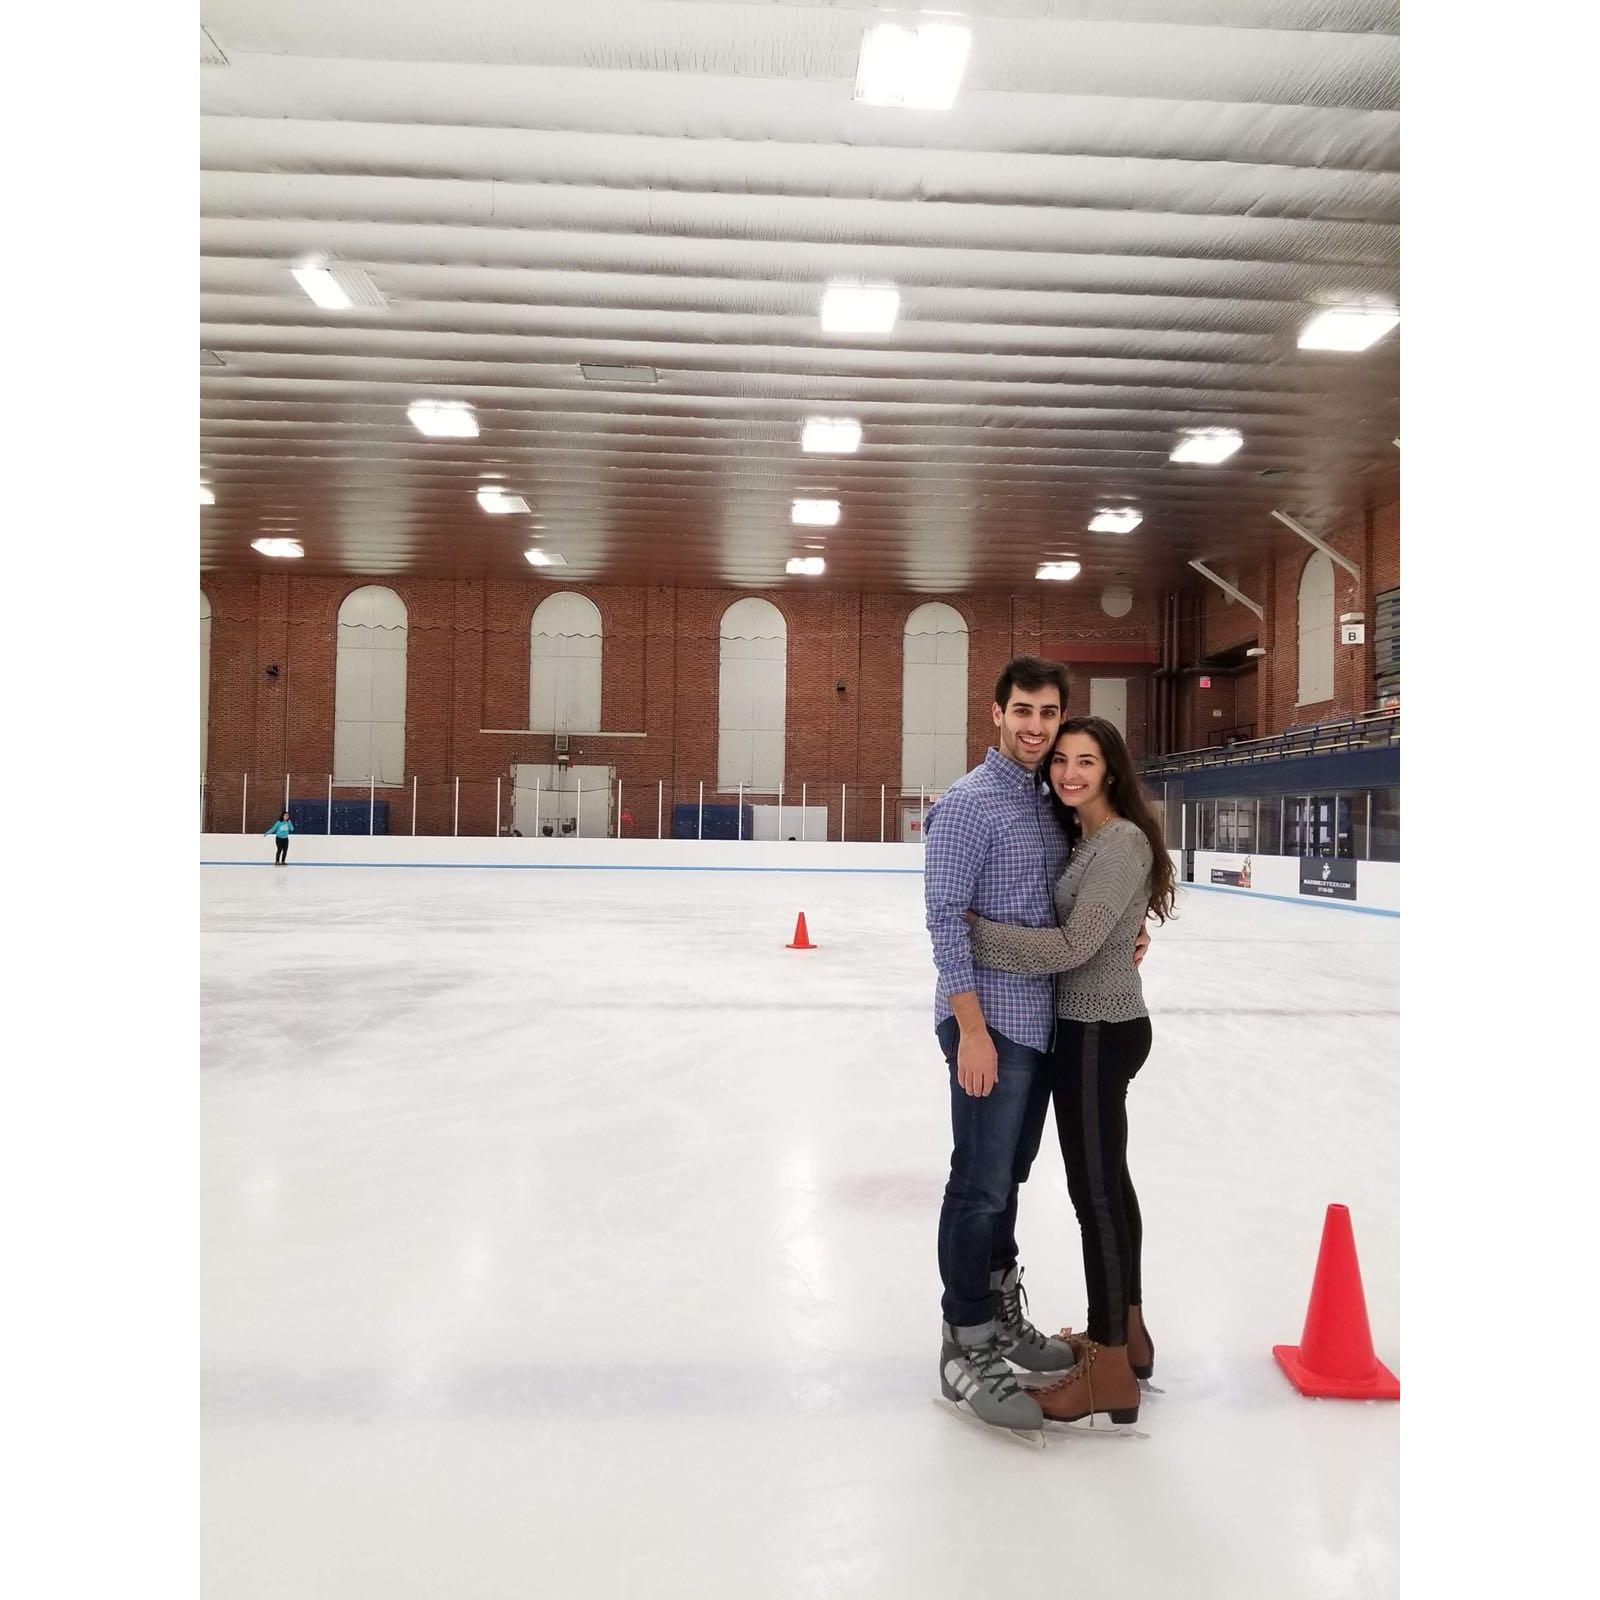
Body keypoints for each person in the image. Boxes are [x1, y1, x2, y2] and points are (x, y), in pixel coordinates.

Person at [924, 656, 1152, 1440]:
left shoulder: (1047, 801)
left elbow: (1091, 896)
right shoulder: (966, 805)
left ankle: (998, 1311)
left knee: (1008, 1181)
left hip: (1043, 1022)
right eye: (1023, 711)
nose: (1036, 727)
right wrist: (973, 1031)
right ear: (995, 713)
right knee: (978, 1185)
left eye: (1049, 715)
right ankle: (964, 1343)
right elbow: (945, 922)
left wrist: (1126, 933)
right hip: (990, 1027)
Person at [963, 716, 1176, 1428]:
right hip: (1096, 1027)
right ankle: (1128, 1334)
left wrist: (978, 936)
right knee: (1110, 1185)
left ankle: (1110, 1367)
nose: (1070, 772)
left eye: (1086, 760)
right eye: (1061, 760)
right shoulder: (1089, 836)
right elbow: (1108, 928)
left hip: (1096, 1031)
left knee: (1095, 1200)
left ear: (1111, 769)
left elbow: (1078, 944)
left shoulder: (1116, 841)